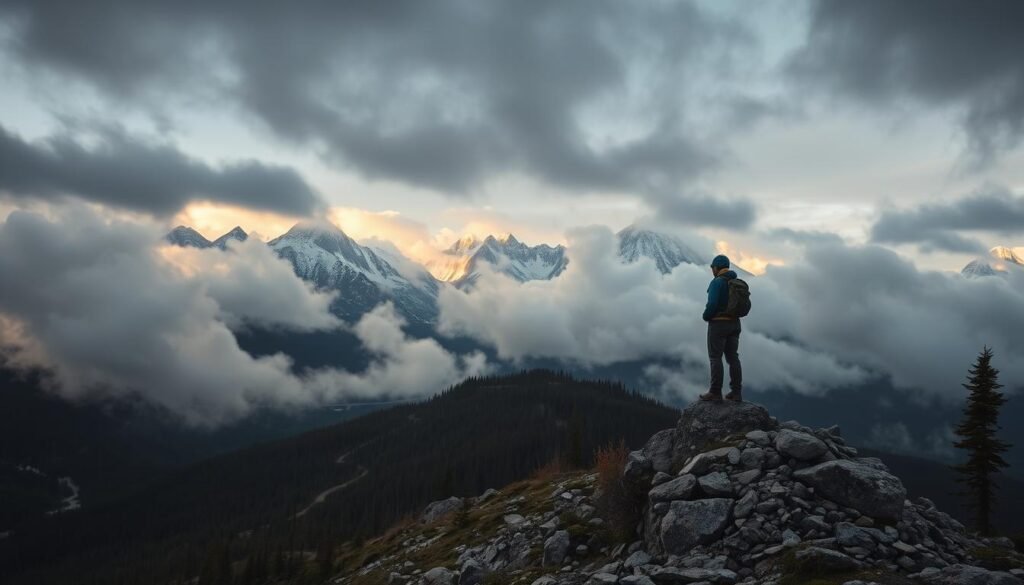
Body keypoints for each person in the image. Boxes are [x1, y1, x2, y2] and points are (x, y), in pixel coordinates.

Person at [699, 255, 743, 402]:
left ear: (717, 267)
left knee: (715, 357)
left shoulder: (717, 282)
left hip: (718, 325)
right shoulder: (734, 281)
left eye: (712, 267)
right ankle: (736, 392)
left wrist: (706, 316)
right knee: (733, 358)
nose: (712, 270)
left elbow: (712, 304)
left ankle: (715, 392)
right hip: (735, 324)